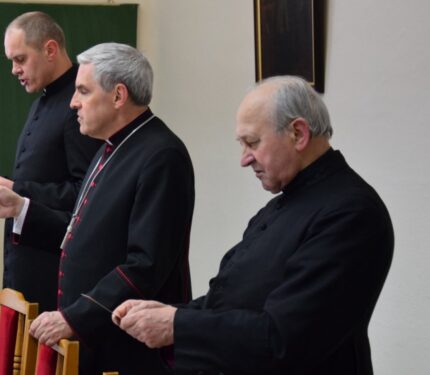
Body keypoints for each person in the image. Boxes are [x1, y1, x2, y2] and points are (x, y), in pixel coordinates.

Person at [113, 76, 394, 375]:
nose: (244, 160)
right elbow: (234, 301)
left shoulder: (350, 213)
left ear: (298, 134)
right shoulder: (283, 203)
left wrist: (177, 325)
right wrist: (168, 313)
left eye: (252, 142)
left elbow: (284, 340)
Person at [0, 43, 195, 375]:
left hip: (125, 349)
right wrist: (21, 209)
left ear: (118, 96)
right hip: (94, 337)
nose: (73, 102)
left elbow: (144, 266)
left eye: (82, 91)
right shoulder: (110, 146)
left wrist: (75, 317)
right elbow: (81, 232)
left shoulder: (161, 156)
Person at [0, 11, 101, 313]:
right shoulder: (43, 99)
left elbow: (85, 192)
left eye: (20, 59)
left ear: (50, 50)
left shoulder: (76, 106)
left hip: (51, 269)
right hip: (24, 259)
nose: (14, 70)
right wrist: (6, 186)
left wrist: (18, 189)